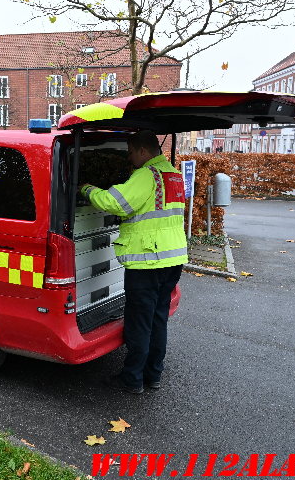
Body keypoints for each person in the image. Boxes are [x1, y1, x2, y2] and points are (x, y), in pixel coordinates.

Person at [80, 130, 188, 394]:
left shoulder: (146, 176)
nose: (128, 158)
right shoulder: (173, 174)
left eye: (130, 152)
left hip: (147, 260)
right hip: (172, 259)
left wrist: (86, 188)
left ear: (142, 150)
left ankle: (132, 379)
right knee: (158, 319)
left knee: (139, 322)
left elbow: (114, 202)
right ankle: (153, 375)